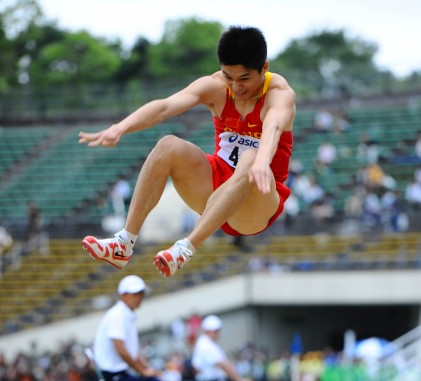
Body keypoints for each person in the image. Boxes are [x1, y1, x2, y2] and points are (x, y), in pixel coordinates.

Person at [79, 26, 296, 277]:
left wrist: (262, 161)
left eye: (244, 79)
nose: (236, 87)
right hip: (216, 191)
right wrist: (120, 127)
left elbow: (274, 125)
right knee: (168, 145)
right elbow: (164, 107)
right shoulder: (215, 86)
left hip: (257, 202)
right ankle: (123, 243)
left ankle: (186, 247)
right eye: (229, 77)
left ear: (264, 68)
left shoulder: (279, 94)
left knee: (250, 159)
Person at [191, 315, 252, 381]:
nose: (219, 334)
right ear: (212, 331)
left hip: (211, 380)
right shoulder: (206, 345)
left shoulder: (205, 343)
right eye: (217, 331)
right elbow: (224, 365)